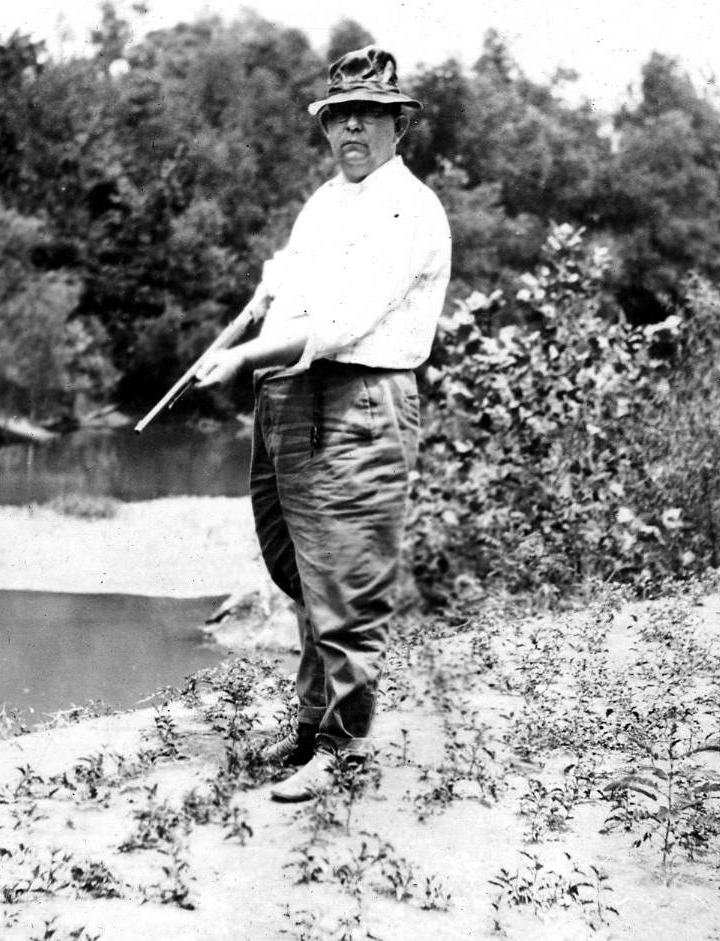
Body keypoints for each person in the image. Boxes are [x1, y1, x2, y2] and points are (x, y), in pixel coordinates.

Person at [194, 45, 451, 802]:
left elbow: (342, 321)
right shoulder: (325, 201)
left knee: (346, 577)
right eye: (340, 116)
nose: (352, 129)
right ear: (326, 126)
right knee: (299, 569)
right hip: (290, 397)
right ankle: (312, 725)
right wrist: (248, 322)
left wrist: (243, 356)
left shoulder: (410, 208)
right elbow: (284, 283)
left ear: (398, 125)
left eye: (368, 115)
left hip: (358, 398)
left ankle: (345, 747)